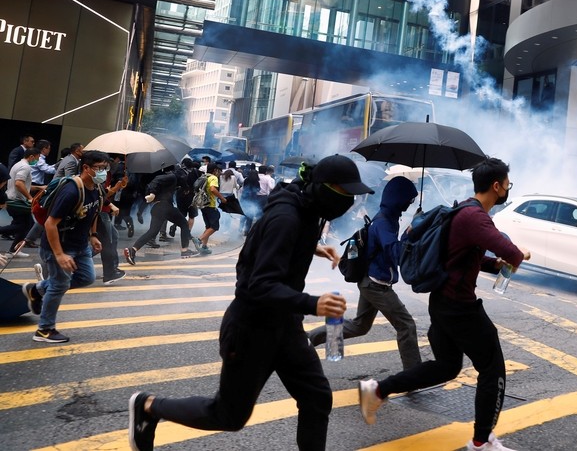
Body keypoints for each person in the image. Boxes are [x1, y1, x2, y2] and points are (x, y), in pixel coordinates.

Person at [127, 154, 372, 451]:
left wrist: (313, 247)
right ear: (323, 188)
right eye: (345, 192)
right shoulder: (287, 216)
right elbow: (260, 285)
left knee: (317, 397)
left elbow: (279, 239)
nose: (348, 201)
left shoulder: (307, 206)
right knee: (229, 416)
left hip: (286, 325)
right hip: (252, 328)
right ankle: (149, 406)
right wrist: (313, 304)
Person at [357, 157, 530, 451]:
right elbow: (509, 250)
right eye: (507, 185)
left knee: (446, 366)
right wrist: (519, 254)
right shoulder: (476, 217)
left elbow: (461, 256)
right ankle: (481, 441)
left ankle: (377, 389)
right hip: (459, 307)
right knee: (492, 369)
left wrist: (492, 264)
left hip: (443, 303)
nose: (508, 189)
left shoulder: (465, 210)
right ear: (497, 186)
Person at [308, 175, 422, 369]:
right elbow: (396, 254)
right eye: (407, 200)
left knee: (360, 326)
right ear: (398, 199)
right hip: (376, 285)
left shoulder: (388, 218)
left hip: (369, 281)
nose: (408, 205)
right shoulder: (384, 223)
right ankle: (414, 375)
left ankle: (308, 339)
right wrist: (411, 231)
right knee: (406, 325)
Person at [21, 150, 109, 343]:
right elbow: (50, 224)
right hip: (58, 246)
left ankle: (37, 290)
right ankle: (44, 330)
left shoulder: (96, 188)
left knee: (86, 277)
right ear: (86, 168)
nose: (103, 172)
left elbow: (92, 213)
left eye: (105, 168)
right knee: (59, 285)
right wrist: (60, 254)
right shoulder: (71, 191)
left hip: (80, 245)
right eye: (99, 168)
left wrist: (93, 235)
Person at [195, 162, 226, 253]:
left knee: (208, 227)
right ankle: (199, 240)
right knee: (214, 227)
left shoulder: (204, 176)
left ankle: (204, 247)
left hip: (203, 204)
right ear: (215, 170)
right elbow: (212, 189)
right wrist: (222, 198)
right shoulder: (213, 177)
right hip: (210, 205)